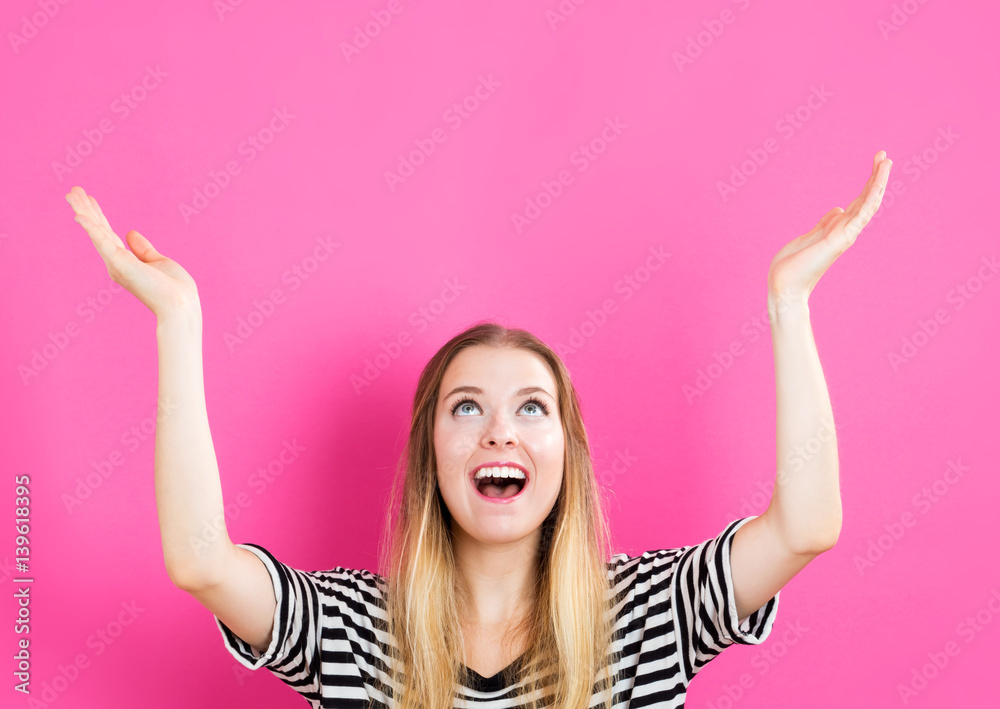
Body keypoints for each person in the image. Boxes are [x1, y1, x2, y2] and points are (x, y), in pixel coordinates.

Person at [64, 150, 892, 708]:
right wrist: (177, 321)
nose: (501, 431)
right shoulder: (353, 630)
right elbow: (202, 561)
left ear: (567, 452)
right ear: (432, 450)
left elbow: (806, 525)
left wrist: (789, 302)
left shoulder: (646, 615)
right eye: (468, 406)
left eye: (532, 407)